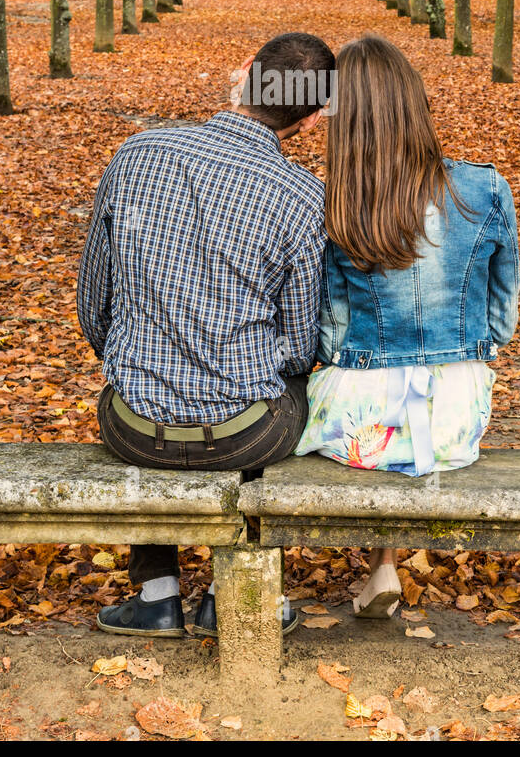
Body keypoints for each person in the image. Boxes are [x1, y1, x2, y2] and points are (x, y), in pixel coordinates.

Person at [77, 31, 336, 639]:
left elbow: (95, 305)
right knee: (287, 390)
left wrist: (149, 361)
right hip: (246, 436)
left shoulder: (137, 155)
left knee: (139, 378)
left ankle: (157, 593)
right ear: (314, 116)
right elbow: (301, 349)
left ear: (244, 70)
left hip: (134, 430)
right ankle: (230, 595)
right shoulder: (304, 199)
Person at [295, 34, 520, 619]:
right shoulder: (488, 188)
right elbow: (502, 322)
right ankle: (385, 566)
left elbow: (330, 337)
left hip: (359, 427)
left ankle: (381, 567)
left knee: (340, 400)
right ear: (414, 102)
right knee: (413, 409)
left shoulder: (333, 205)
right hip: (453, 424)